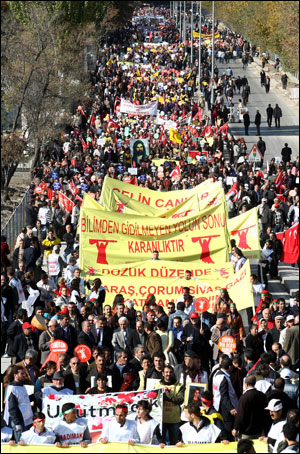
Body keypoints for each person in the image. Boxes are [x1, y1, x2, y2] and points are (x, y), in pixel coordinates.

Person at [154, 365, 184, 445]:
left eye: (170, 372)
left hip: (174, 420)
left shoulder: (179, 385)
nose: (168, 374)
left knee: (174, 444)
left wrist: (167, 394)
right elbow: (155, 401)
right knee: (161, 444)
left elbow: (179, 400)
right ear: (163, 373)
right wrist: (171, 397)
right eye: (166, 372)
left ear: (173, 373)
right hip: (161, 420)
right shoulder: (157, 386)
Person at [233, 375, 268, 440]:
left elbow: (241, 415)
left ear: (246, 384)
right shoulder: (262, 395)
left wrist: (236, 428)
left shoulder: (244, 398)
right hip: (259, 432)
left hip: (246, 433)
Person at [3, 366, 33, 442]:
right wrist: (17, 423)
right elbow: (12, 407)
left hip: (25, 419)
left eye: (24, 373)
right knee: (20, 442)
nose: (24, 375)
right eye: (21, 373)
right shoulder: (13, 388)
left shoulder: (21, 386)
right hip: (18, 420)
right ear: (15, 375)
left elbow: (23, 399)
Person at [212, 357, 238, 440]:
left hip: (218, 405)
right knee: (228, 430)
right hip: (225, 409)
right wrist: (231, 408)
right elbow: (224, 396)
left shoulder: (216, 374)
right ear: (230, 367)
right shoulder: (223, 378)